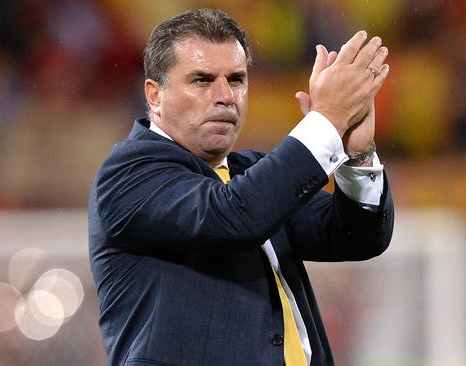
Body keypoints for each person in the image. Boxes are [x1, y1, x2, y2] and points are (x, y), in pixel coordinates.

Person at [88, 8, 394, 366]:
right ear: (154, 95)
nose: (225, 96)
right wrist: (325, 122)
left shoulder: (252, 173)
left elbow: (356, 237)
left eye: (236, 79)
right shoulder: (128, 175)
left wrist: (357, 154)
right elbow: (234, 215)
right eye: (202, 80)